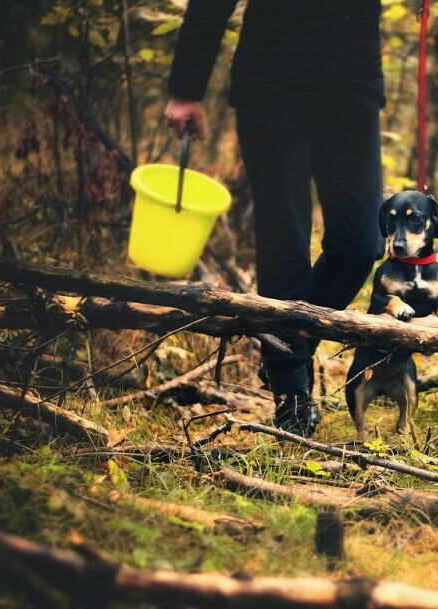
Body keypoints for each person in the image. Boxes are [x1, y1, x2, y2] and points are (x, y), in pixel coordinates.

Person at [164, 0, 386, 437]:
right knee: (284, 236)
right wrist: (187, 88)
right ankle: (291, 392)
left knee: (361, 242)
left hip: (352, 81)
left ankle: (289, 340)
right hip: (273, 80)